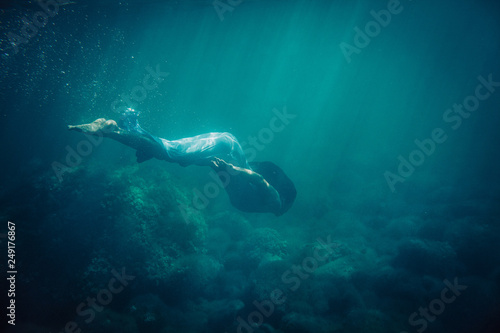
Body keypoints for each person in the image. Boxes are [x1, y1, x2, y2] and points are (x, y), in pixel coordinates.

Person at [68, 109, 296, 216]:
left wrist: (220, 169)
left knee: (171, 152)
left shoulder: (248, 194)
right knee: (173, 153)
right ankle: (111, 131)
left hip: (226, 149)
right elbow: (258, 179)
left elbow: (230, 174)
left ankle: (133, 127)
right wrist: (233, 169)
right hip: (228, 148)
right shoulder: (275, 203)